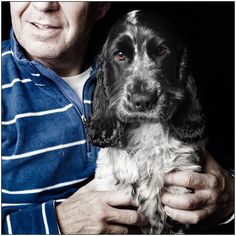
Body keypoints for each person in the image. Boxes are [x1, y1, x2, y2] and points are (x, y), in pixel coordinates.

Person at [2, 2, 234, 234]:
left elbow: (219, 159)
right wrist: (58, 224)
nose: (43, 4)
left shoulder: (168, 63)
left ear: (100, 5)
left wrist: (231, 198)